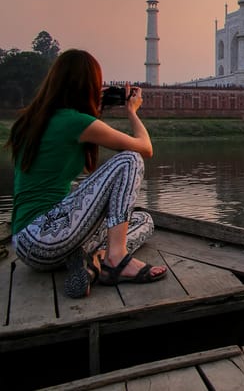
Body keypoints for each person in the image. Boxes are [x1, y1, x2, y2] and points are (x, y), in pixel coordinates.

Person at [5, 49, 166, 298]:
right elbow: (145, 148)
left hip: (31, 245)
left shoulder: (33, 120)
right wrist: (132, 111)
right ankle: (115, 259)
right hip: (44, 236)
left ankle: (91, 261)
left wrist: (93, 110)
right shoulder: (74, 122)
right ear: (86, 85)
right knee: (129, 160)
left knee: (143, 221)